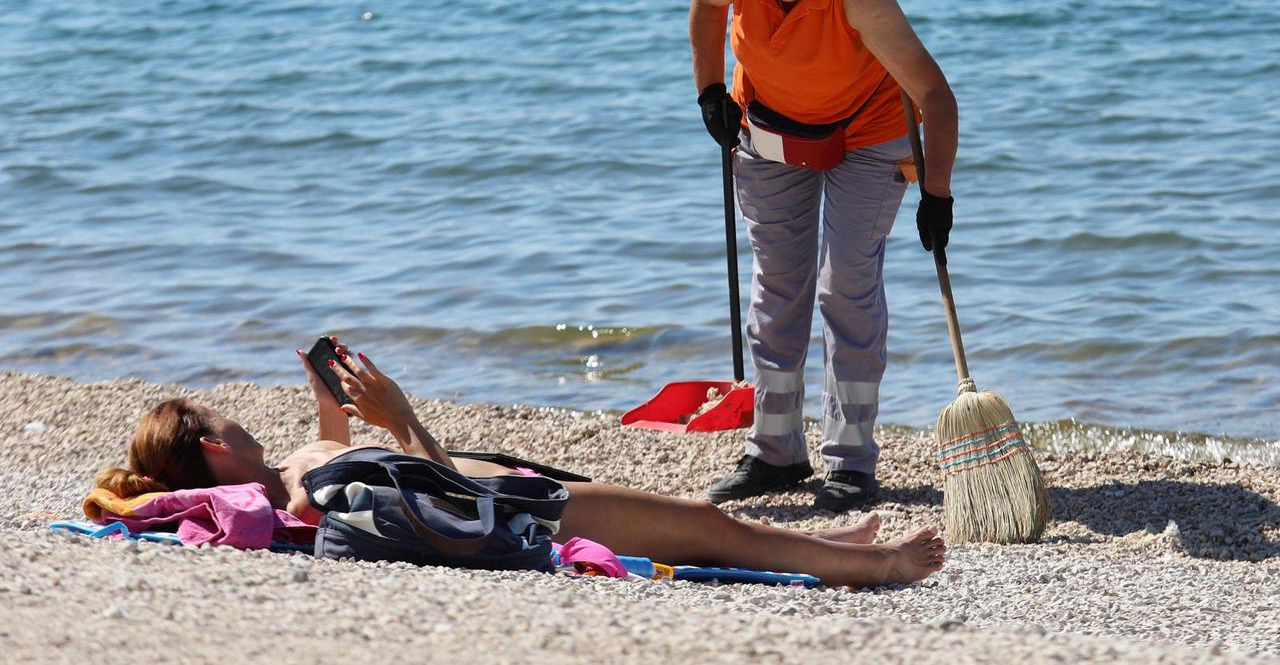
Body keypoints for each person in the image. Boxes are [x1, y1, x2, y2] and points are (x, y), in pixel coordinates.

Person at [95, 339, 946, 588]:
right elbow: (455, 502)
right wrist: (403, 419)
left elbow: (330, 444)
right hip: (530, 510)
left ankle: (837, 539)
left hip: (528, 492)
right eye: (220, 417)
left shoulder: (292, 470)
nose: (233, 415)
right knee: (709, 528)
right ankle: (876, 566)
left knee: (703, 520)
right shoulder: (314, 484)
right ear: (211, 445)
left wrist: (333, 390)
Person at [689, 0, 959, 511]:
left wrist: (938, 193)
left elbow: (936, 96)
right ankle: (774, 452)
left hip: (868, 133)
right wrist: (708, 93)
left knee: (846, 283)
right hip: (771, 126)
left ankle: (851, 461)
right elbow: (706, 6)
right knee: (778, 285)